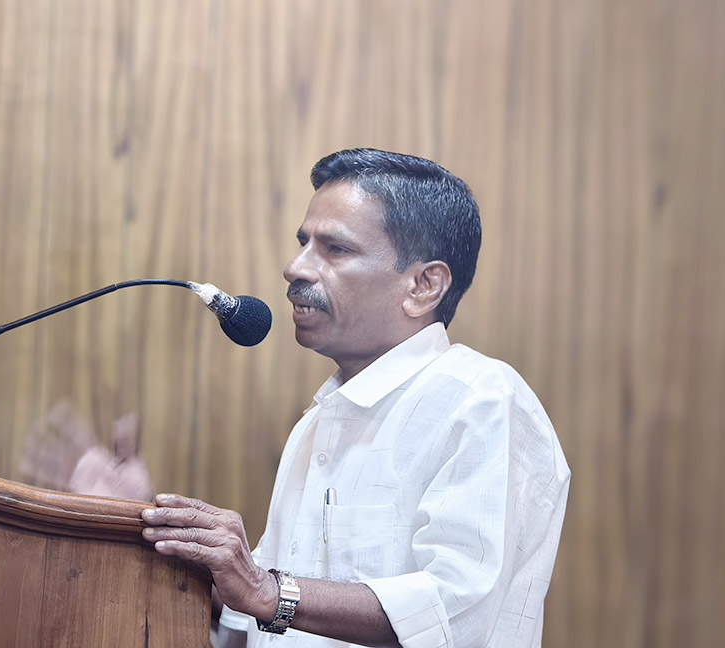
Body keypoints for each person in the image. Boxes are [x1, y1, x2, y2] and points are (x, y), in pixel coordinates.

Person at [141, 148, 571, 648]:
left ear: (423, 285)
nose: (294, 267)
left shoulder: (481, 399)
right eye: (303, 244)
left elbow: (454, 611)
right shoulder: (316, 424)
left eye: (335, 249)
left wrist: (266, 590)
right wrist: (151, 534)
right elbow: (262, 620)